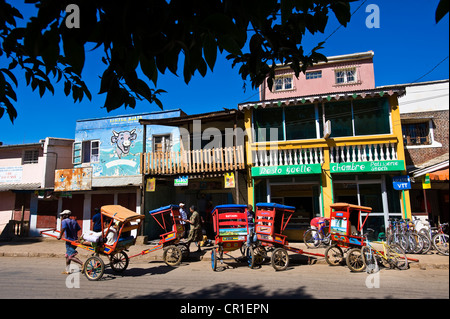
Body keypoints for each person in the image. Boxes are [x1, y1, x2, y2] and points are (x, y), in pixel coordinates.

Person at [57, 210, 84, 274]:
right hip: (75, 240)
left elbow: (63, 228)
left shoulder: (64, 221)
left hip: (69, 241)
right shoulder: (74, 221)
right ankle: (67, 270)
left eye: (63, 215)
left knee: (70, 256)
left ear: (66, 215)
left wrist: (60, 236)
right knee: (68, 255)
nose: (62, 216)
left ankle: (83, 264)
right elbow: (78, 229)